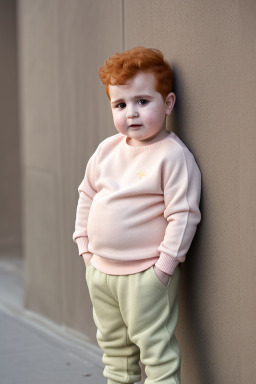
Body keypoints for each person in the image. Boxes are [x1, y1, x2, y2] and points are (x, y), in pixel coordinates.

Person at [73, 47, 201, 384]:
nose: (131, 113)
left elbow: (183, 214)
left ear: (168, 103)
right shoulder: (107, 150)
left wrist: (163, 268)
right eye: (121, 104)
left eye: (143, 101)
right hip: (101, 272)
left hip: (145, 275)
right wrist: (86, 250)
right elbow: (87, 194)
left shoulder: (172, 156)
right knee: (115, 353)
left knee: (156, 353)